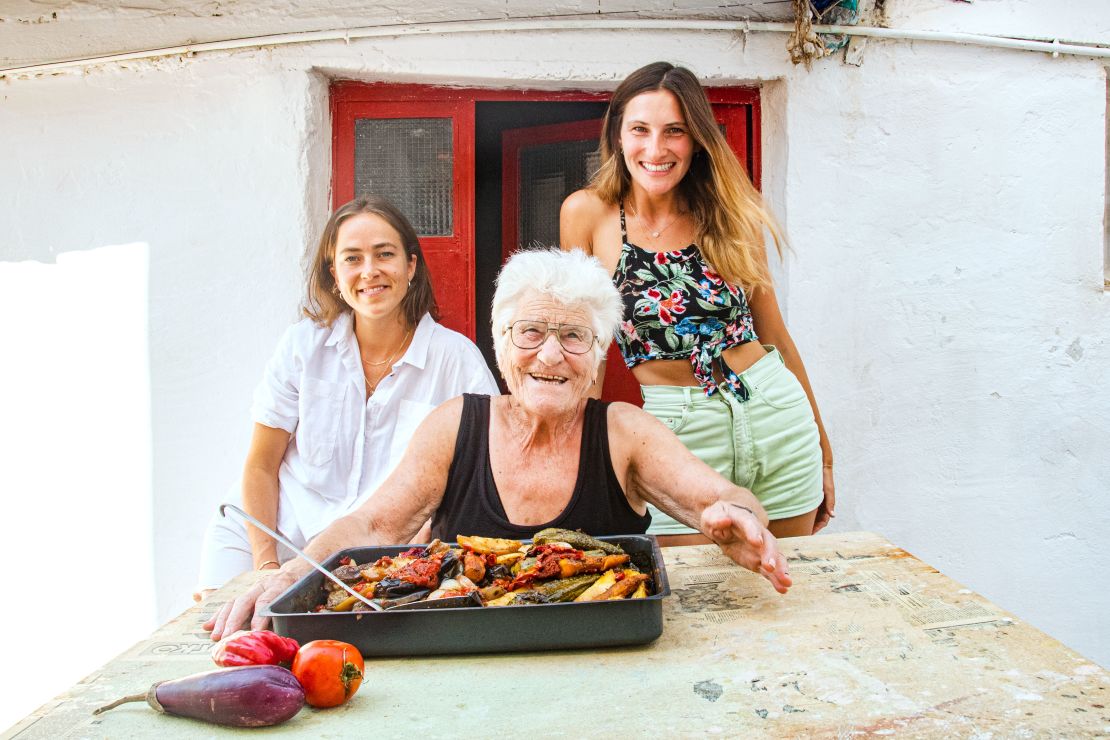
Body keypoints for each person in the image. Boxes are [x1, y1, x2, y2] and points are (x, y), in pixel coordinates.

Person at [206, 248, 792, 639]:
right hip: (458, 664)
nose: (551, 354)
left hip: (602, 666)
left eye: (574, 336)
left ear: (598, 358)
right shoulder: (455, 425)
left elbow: (723, 498)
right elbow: (373, 526)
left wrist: (738, 517)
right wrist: (291, 575)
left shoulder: (624, 432)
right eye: (531, 332)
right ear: (500, 343)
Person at [560, 61, 834, 543]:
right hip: (677, 430)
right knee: (688, 594)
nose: (656, 149)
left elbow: (774, 336)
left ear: (696, 140)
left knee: (789, 591)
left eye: (675, 132)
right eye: (640, 130)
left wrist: (825, 454)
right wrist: (581, 471)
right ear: (618, 135)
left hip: (774, 412)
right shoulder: (587, 214)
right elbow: (587, 351)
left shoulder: (731, 212)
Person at [196, 196, 499, 594]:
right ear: (334, 274)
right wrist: (266, 567)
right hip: (273, 539)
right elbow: (260, 465)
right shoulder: (303, 347)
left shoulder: (456, 361)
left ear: (411, 265)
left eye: (384, 254)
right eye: (352, 258)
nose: (369, 271)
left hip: (378, 559)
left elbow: (479, 479)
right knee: (229, 644)